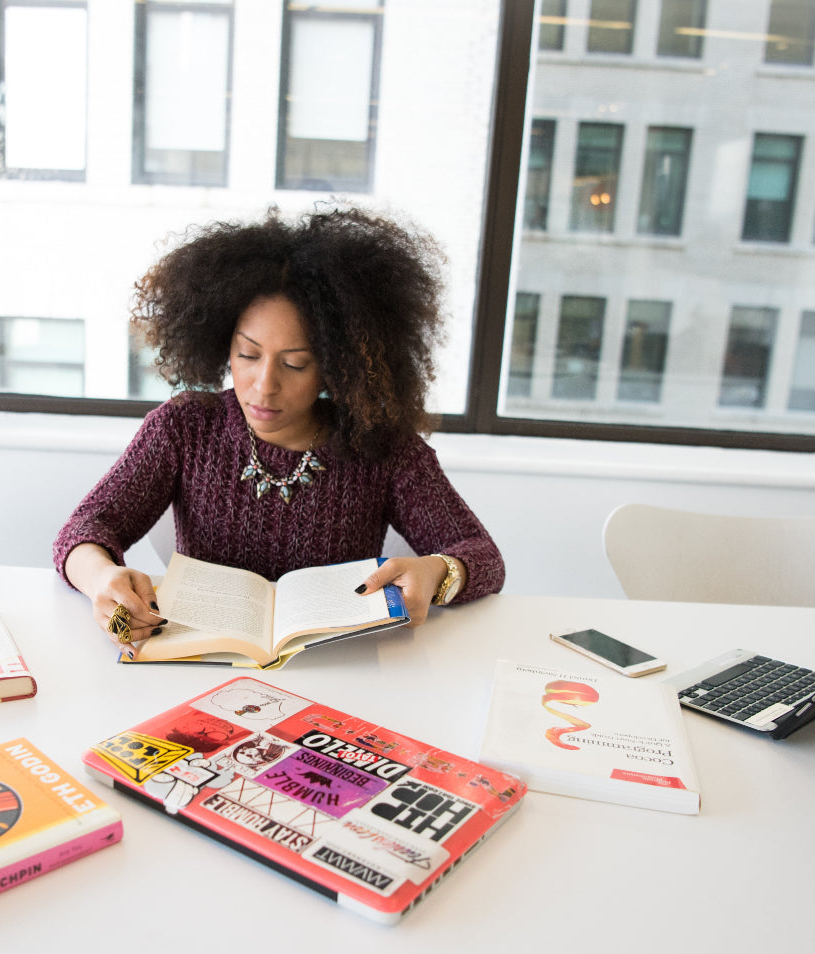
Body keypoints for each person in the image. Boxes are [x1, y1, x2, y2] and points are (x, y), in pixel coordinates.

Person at [53, 203, 504, 657]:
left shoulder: (382, 447)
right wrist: (100, 578)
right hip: (199, 664)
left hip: (340, 670)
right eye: (248, 355)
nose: (264, 385)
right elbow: (85, 529)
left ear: (335, 368)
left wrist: (438, 572)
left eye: (295, 364)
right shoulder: (184, 427)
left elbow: (483, 557)